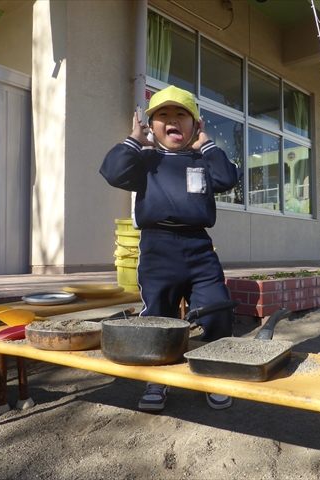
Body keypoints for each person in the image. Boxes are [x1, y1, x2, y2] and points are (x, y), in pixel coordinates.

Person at [100, 85, 242, 412]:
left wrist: (206, 144)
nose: (173, 120)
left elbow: (227, 178)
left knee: (217, 309)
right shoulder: (146, 159)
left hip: (199, 246)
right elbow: (113, 172)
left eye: (182, 115)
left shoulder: (203, 158)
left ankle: (215, 373)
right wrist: (134, 139)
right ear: (152, 125)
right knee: (158, 315)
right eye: (163, 115)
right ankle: (157, 378)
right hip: (157, 246)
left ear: (196, 124)